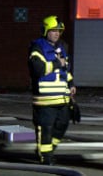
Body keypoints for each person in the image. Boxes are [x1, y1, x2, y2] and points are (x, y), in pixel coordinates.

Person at [28, 15, 76, 165]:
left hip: (62, 98)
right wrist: (56, 63)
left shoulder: (62, 48)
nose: (57, 34)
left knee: (62, 125)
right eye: (53, 30)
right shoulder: (37, 47)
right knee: (46, 129)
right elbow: (38, 69)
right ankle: (46, 157)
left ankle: (49, 150)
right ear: (45, 31)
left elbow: (65, 71)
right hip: (45, 100)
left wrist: (71, 84)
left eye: (59, 31)